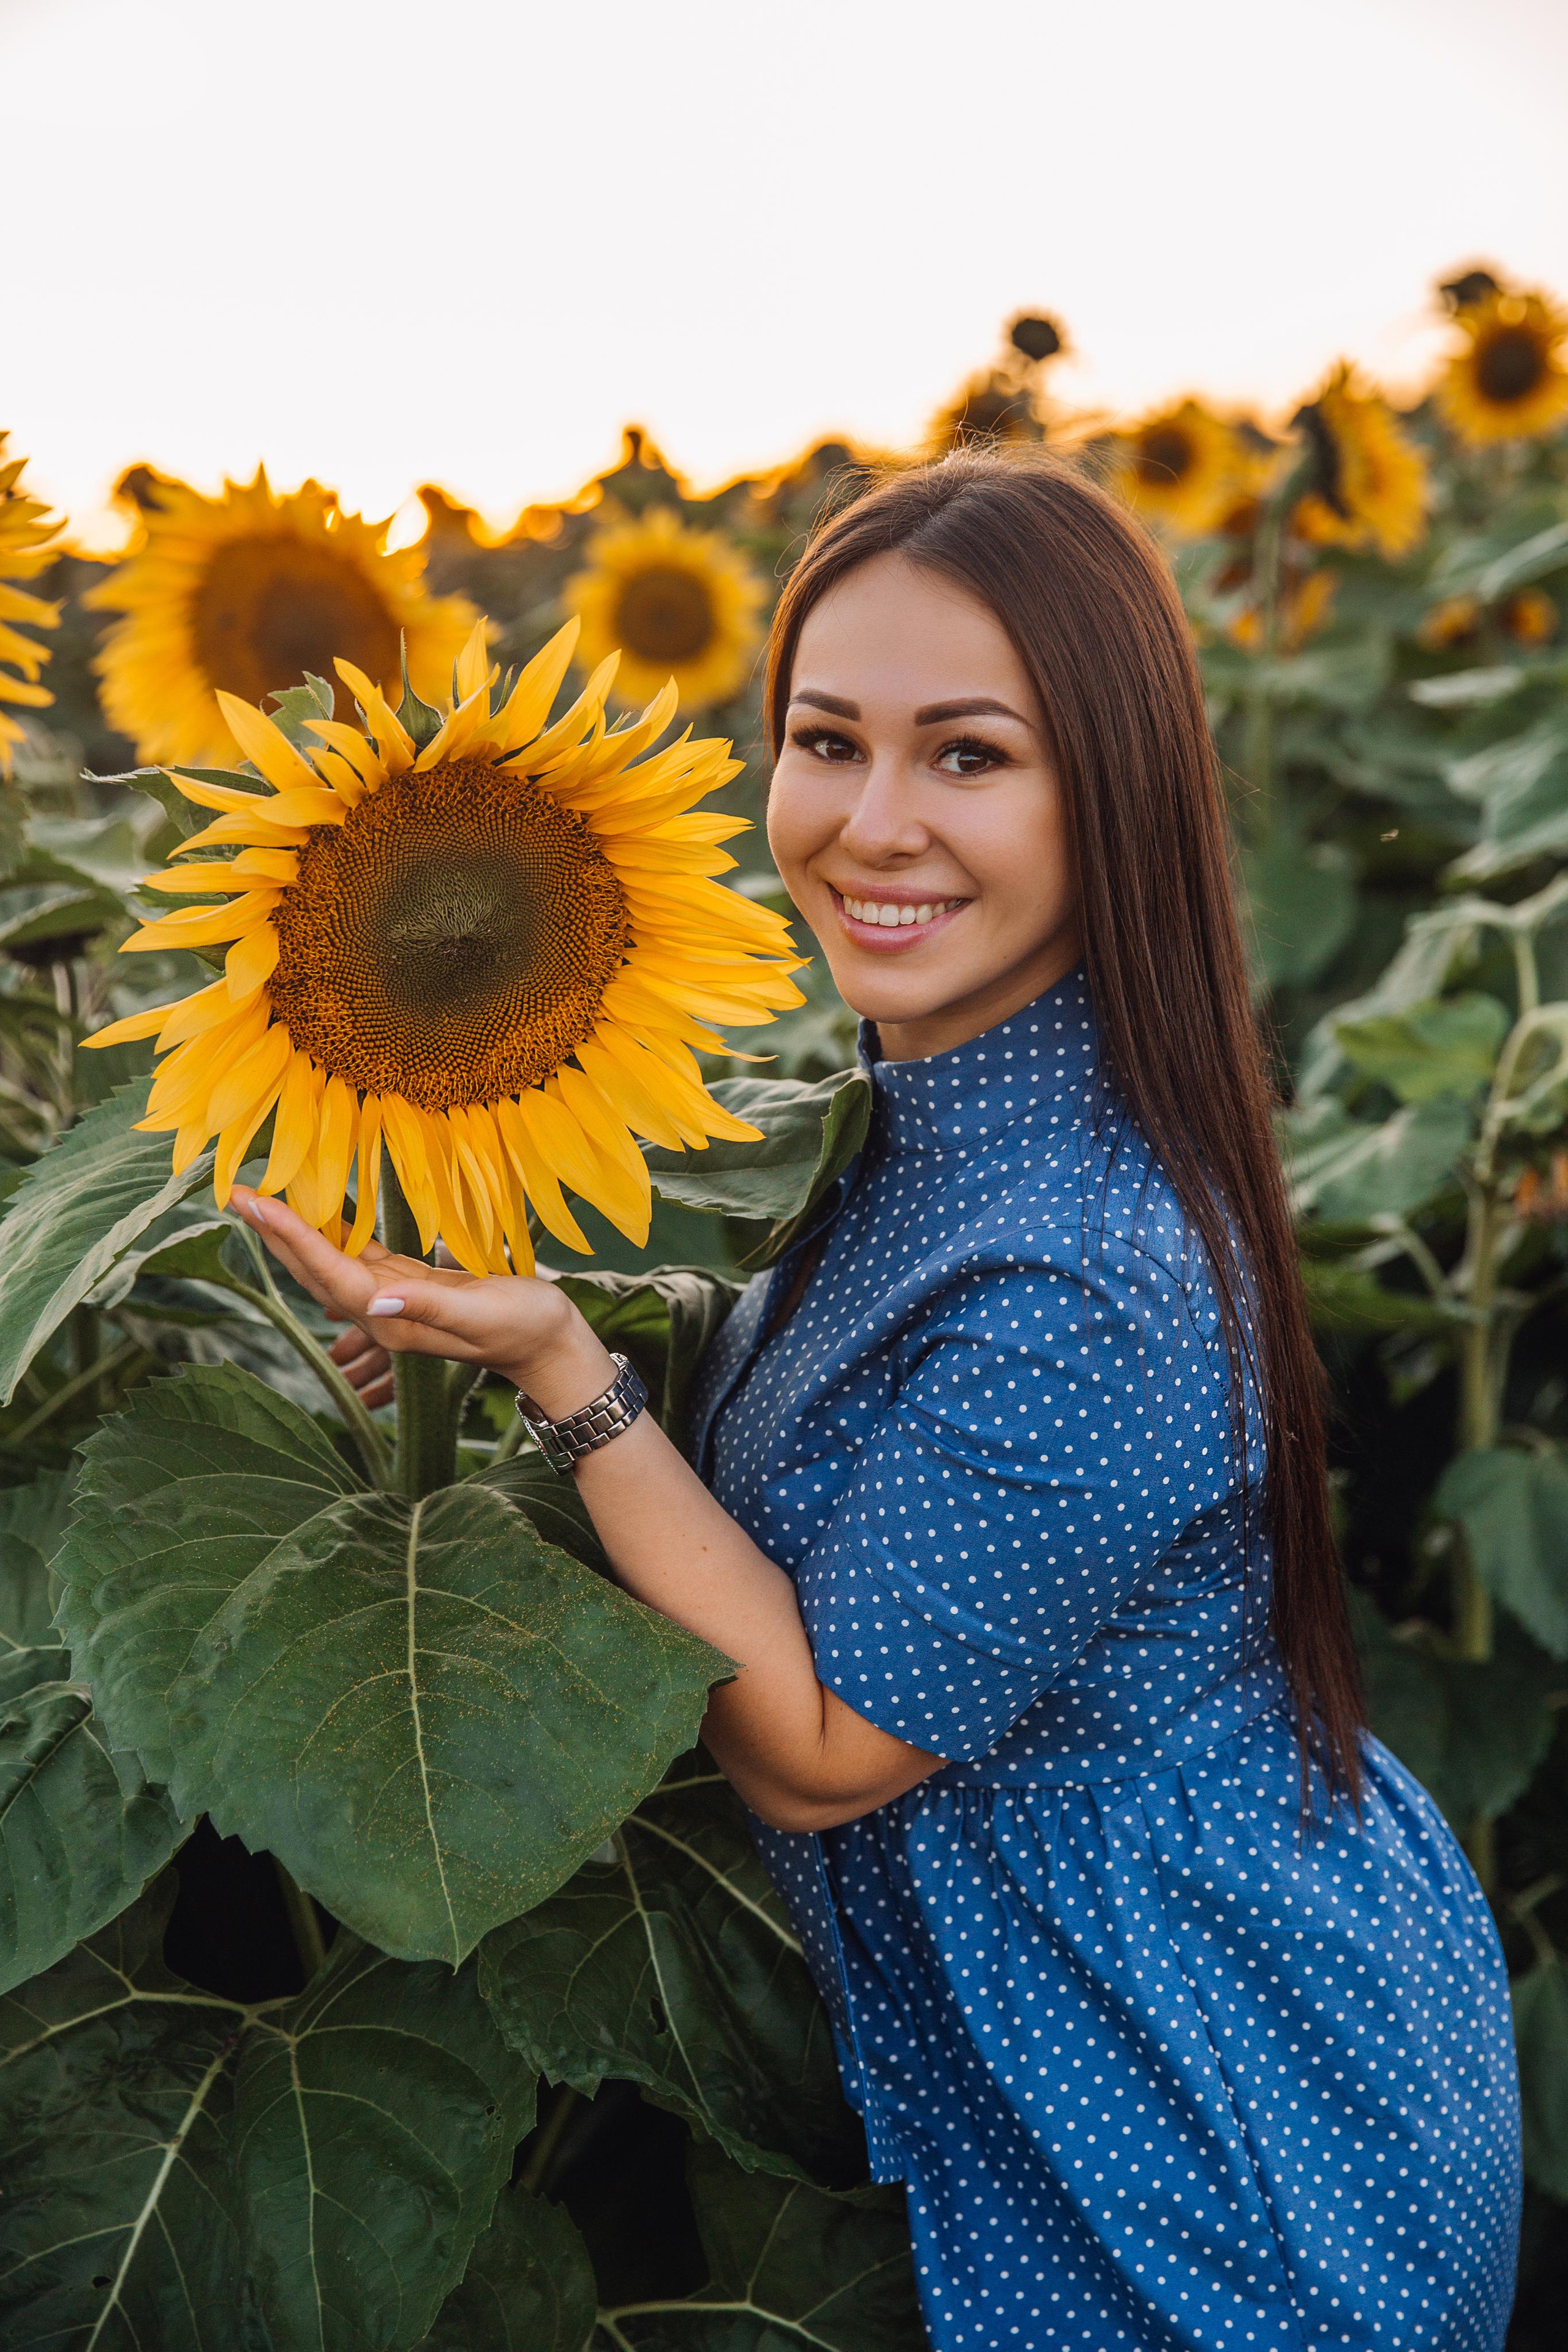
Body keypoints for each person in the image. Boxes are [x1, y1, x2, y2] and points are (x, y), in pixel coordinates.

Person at [235, 452, 1521, 2352]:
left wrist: (560, 1373)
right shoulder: (909, 1098)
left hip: (1198, 2112)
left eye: (970, 757)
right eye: (827, 741)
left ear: (1118, 793)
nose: (871, 824)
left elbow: (820, 1746)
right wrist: (505, 1285)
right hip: (1065, 2008)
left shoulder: (1095, 1273)